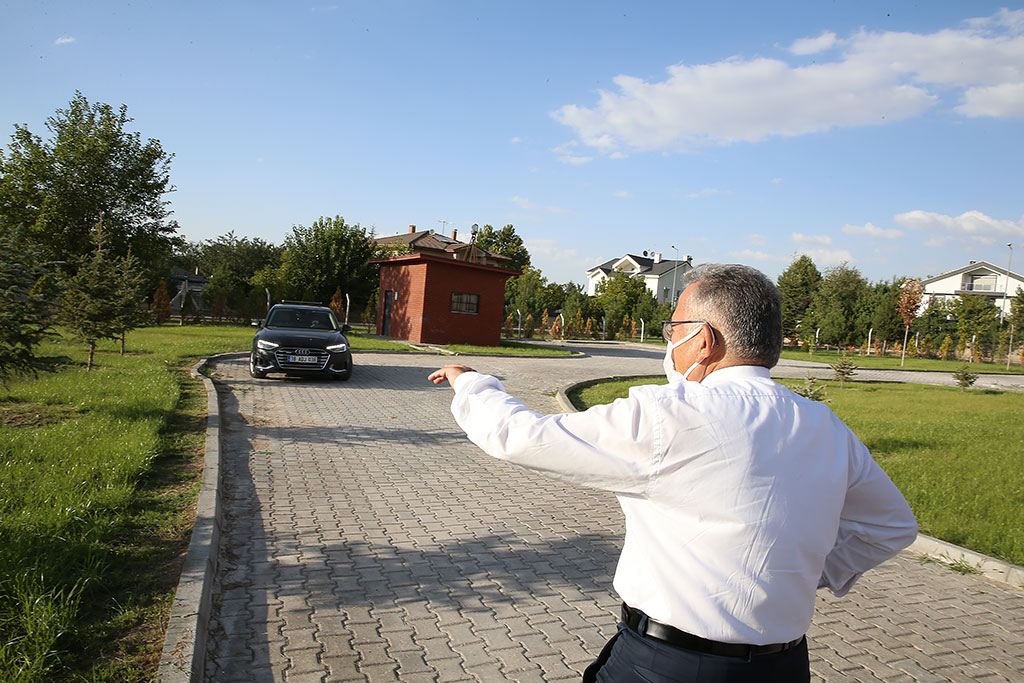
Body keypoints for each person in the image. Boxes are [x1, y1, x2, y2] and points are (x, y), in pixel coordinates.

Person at [428, 263, 917, 682]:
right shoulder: (825, 425)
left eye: (673, 329)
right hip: (783, 668)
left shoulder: (667, 414)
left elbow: (520, 435)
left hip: (669, 664)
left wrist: (471, 382)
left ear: (703, 340)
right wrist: (802, 575)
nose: (670, 343)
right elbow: (890, 526)